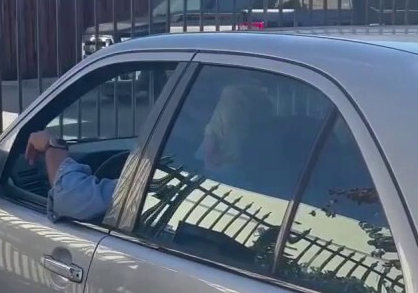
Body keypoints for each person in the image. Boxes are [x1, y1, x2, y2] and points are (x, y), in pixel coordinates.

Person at [27, 83, 273, 222]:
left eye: (208, 133)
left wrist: (51, 145)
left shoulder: (170, 189)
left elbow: (71, 198)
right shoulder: (276, 194)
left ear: (214, 149)